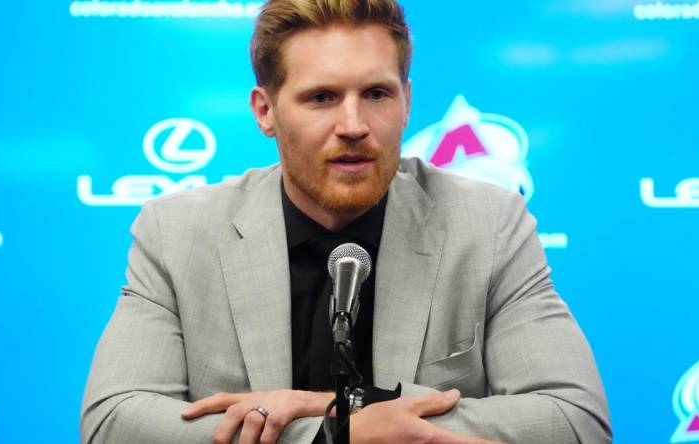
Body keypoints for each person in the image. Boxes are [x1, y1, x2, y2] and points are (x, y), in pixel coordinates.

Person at [80, 0, 612, 442]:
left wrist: (346, 411)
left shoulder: (489, 225)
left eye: (376, 93)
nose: (353, 125)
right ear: (266, 111)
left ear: (407, 103)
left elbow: (575, 420)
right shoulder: (177, 233)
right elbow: (113, 422)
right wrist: (328, 435)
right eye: (321, 98)